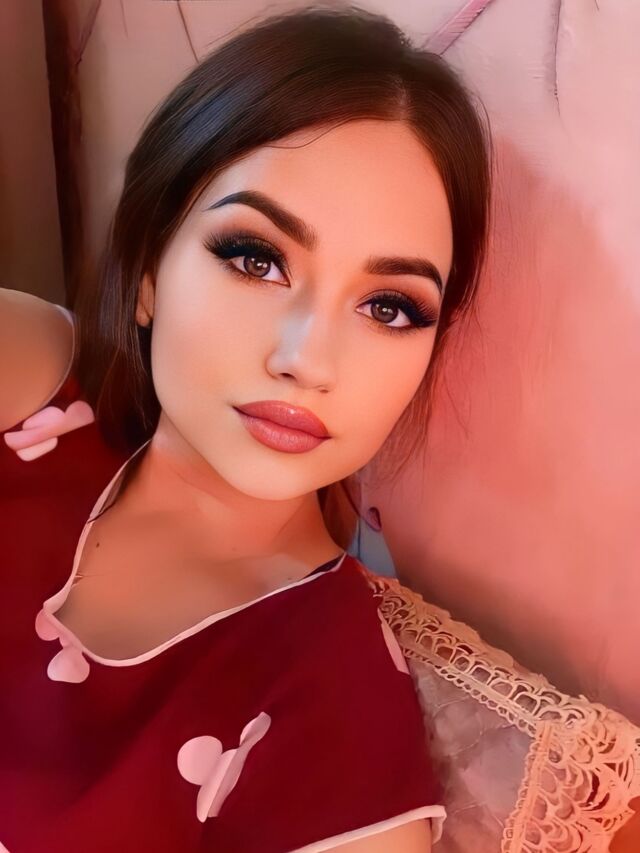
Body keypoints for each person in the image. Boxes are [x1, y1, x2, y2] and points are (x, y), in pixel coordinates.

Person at [0, 5, 492, 851]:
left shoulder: (334, 724)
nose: (307, 359)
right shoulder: (33, 379)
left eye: (389, 307)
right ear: (149, 269)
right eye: (257, 258)